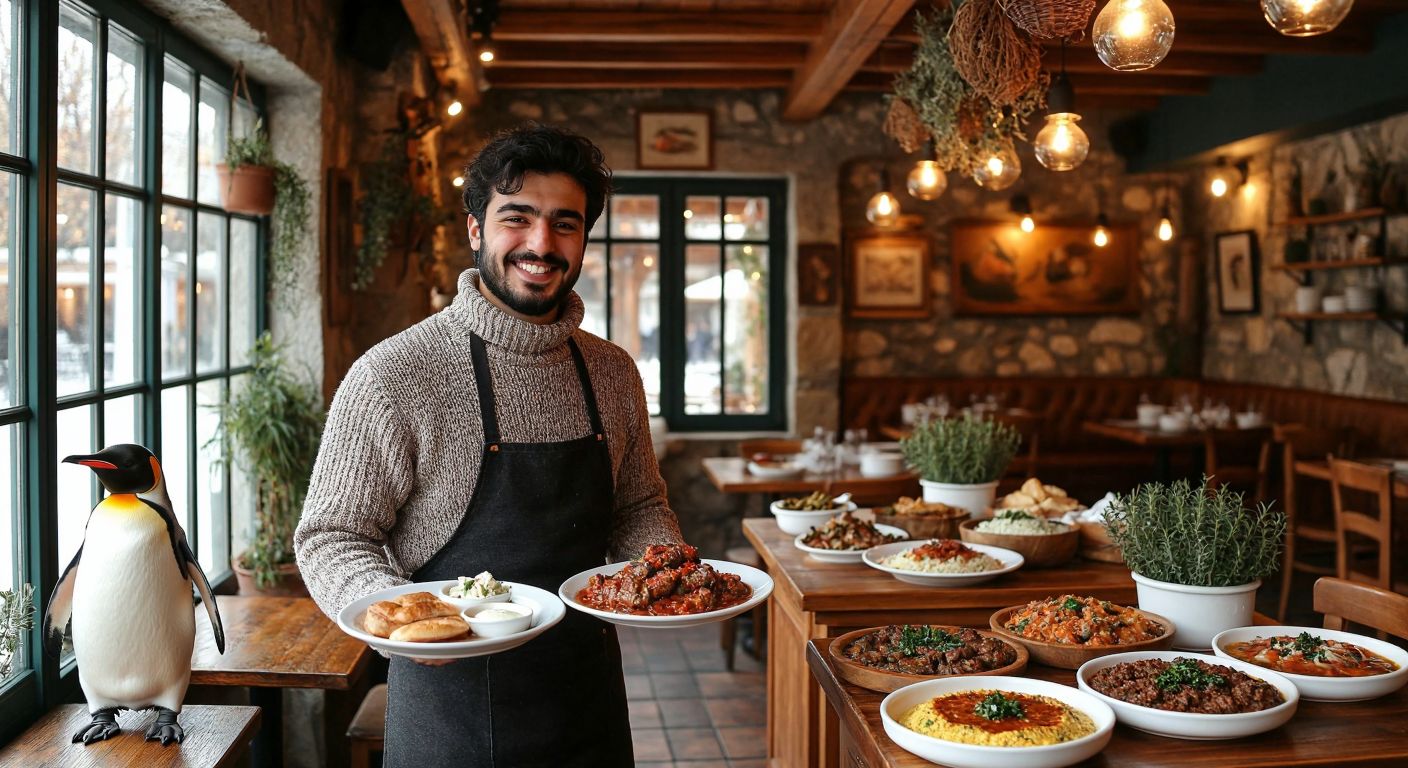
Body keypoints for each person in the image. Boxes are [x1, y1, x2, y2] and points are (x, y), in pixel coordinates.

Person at [295, 124, 684, 767]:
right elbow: (331, 535)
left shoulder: (614, 372)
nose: (541, 243)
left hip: (586, 700)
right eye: (517, 217)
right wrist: (397, 617)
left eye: (565, 223)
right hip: (447, 706)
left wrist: (671, 576)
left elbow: (638, 504)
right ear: (475, 229)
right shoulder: (395, 373)